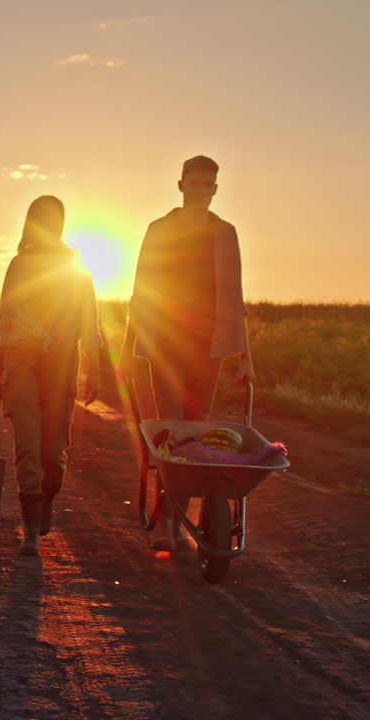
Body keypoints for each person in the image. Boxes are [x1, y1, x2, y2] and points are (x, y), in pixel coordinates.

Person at [120, 155, 255, 551]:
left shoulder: (226, 233)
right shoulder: (158, 230)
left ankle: (177, 516)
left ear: (216, 189)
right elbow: (140, 291)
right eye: (195, 184)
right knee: (173, 432)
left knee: (196, 432)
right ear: (181, 186)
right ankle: (170, 523)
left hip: (208, 346)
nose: (202, 192)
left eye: (209, 185)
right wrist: (130, 347)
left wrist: (246, 356)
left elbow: (236, 296)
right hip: (165, 343)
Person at [0, 195, 103, 557]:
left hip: (61, 364)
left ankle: (46, 499)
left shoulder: (76, 267)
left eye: (53, 220)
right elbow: (3, 321)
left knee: (53, 451)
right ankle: (31, 532)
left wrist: (96, 370)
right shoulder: (18, 265)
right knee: (27, 444)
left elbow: (90, 322)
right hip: (19, 361)